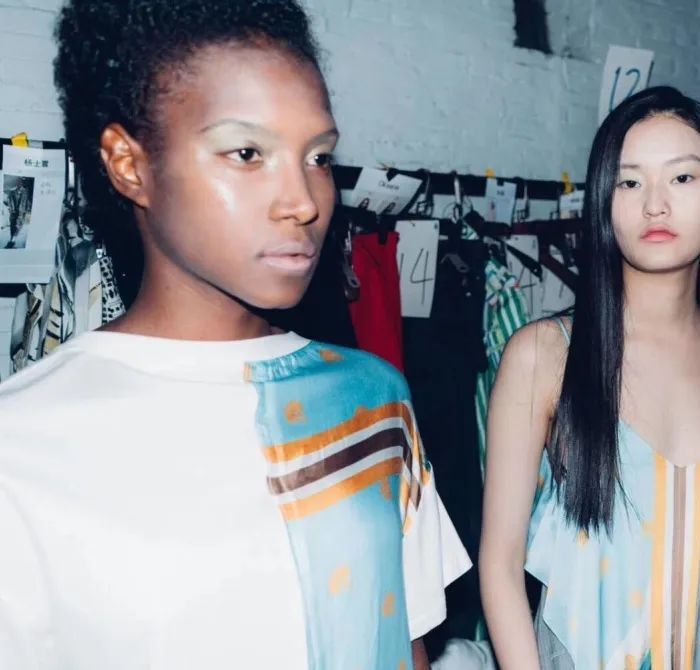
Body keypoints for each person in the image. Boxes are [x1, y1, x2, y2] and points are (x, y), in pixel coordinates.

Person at [0, 1, 469, 668]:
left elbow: (402, 638)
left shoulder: (371, 401)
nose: (303, 201)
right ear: (129, 165)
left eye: (318, 157)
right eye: (247, 153)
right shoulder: (23, 443)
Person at [480, 86, 700, 670]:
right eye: (629, 182)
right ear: (604, 200)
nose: (655, 204)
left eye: (682, 178)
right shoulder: (544, 355)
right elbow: (501, 563)